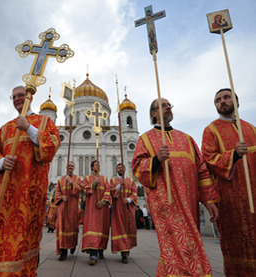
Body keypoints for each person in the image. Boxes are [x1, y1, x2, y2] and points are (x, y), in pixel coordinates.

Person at [0, 85, 60, 277]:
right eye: (14, 97)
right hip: (2, 191)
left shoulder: (44, 122)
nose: (17, 99)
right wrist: (1, 162)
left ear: (31, 97)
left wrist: (28, 128)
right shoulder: (5, 128)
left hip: (28, 192)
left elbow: (52, 145)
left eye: (21, 95)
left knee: (22, 237)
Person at [131, 98, 220, 276]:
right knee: (177, 243)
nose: (168, 107)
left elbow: (201, 170)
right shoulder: (145, 139)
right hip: (165, 202)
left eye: (169, 105)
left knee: (187, 242)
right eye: (163, 105)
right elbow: (137, 168)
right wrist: (156, 160)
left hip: (189, 200)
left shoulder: (187, 139)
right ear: (153, 113)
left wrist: (209, 199)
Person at [201, 88, 256, 276]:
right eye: (218, 100)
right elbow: (208, 160)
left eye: (226, 97)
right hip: (230, 200)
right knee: (235, 246)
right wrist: (233, 155)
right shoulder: (211, 130)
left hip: (254, 196)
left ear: (237, 102)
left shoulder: (251, 129)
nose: (222, 102)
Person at [81, 160, 111, 266]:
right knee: (92, 228)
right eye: (96, 165)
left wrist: (103, 200)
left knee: (102, 228)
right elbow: (84, 189)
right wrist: (93, 184)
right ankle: (93, 254)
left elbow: (108, 190)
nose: (98, 166)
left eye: (99, 165)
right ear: (92, 167)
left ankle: (100, 249)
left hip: (102, 208)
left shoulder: (104, 178)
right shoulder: (87, 178)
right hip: (92, 208)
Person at [110, 163, 137, 264]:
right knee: (120, 228)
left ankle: (127, 249)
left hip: (128, 208)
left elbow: (134, 192)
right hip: (118, 209)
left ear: (125, 169)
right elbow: (111, 191)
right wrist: (118, 186)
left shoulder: (131, 181)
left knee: (128, 227)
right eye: (118, 167)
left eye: (121, 167)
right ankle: (123, 253)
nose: (120, 169)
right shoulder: (113, 180)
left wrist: (129, 199)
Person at [54, 161, 82, 261]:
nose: (70, 167)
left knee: (72, 226)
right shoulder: (61, 179)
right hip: (63, 206)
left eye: (72, 166)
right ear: (66, 167)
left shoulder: (77, 179)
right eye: (69, 166)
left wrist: (71, 182)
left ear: (74, 168)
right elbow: (57, 192)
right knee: (62, 226)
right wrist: (61, 197)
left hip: (72, 206)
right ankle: (63, 251)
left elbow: (78, 190)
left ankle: (72, 245)